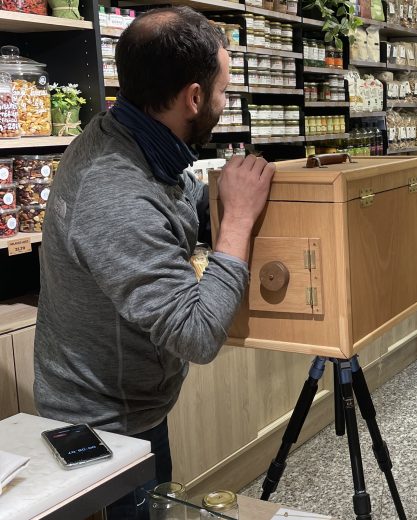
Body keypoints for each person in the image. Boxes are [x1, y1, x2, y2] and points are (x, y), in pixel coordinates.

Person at [33, 7, 275, 518]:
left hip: (131, 406)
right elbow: (197, 335)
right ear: (194, 97)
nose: (225, 102)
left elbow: (174, 207)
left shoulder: (132, 138)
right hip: (105, 429)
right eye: (223, 91)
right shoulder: (115, 190)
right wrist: (237, 221)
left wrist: (223, 202)